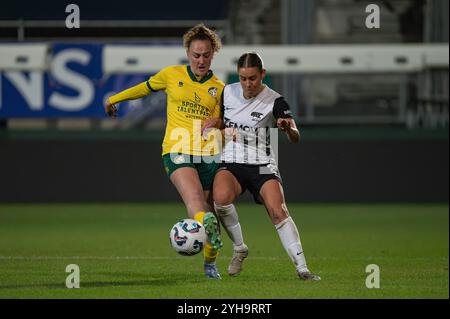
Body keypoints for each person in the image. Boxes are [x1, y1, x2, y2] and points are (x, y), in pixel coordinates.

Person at [104, 24, 224, 279]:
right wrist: (115, 99)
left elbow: (223, 122)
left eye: (205, 55)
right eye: (196, 54)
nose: (200, 60)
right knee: (194, 201)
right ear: (188, 53)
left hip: (208, 154)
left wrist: (220, 125)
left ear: (213, 53)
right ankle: (207, 228)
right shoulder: (171, 75)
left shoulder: (220, 88)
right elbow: (144, 88)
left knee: (208, 209)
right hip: (177, 149)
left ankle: (210, 263)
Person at [207, 52, 320, 281]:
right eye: (243, 78)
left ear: (263, 75)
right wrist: (216, 126)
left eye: (253, 78)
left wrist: (288, 128)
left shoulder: (276, 100)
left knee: (279, 211)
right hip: (232, 160)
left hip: (261, 163)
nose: (248, 84)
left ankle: (303, 269)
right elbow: (221, 119)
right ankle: (239, 248)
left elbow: (296, 136)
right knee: (220, 198)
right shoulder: (227, 92)